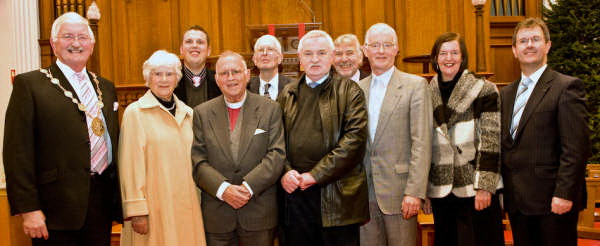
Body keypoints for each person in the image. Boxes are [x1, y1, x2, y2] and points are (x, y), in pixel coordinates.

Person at [3, 12, 122, 245]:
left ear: (92, 44)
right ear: (54, 43)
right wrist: (29, 209)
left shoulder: (106, 87)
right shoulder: (30, 85)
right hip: (53, 210)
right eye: (68, 36)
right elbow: (17, 152)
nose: (76, 43)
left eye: (82, 37)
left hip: (100, 204)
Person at [500, 17, 589, 246]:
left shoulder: (566, 87)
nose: (529, 45)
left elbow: (575, 149)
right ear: (514, 50)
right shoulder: (506, 95)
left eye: (535, 39)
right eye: (523, 41)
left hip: (553, 203)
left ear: (547, 45)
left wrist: (564, 194)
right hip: (518, 202)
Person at [278, 30, 369, 246]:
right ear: (300, 60)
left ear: (331, 56)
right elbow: (274, 142)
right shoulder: (287, 94)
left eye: (321, 52)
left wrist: (315, 175)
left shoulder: (350, 92)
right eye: (308, 54)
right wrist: (285, 171)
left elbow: (354, 141)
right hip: (295, 197)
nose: (315, 59)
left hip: (337, 197)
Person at [192, 51, 285, 246]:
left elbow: (276, 155)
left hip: (258, 212)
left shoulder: (270, 109)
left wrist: (247, 188)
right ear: (217, 79)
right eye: (224, 73)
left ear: (247, 74)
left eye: (236, 71)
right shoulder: (202, 113)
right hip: (217, 214)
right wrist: (224, 189)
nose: (231, 78)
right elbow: (198, 162)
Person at [423, 32, 504, 246]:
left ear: (463, 56)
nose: (449, 58)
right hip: (442, 187)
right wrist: (426, 191)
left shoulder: (484, 88)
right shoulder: (424, 92)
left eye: (454, 52)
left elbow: (491, 141)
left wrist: (485, 187)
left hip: (475, 186)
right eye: (443, 53)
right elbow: (423, 145)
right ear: (435, 59)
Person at [118, 50, 206, 246]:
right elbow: (130, 166)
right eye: (157, 74)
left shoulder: (188, 114)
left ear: (177, 79)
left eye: (169, 74)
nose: (164, 79)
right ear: (148, 78)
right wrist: (137, 211)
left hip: (188, 206)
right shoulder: (136, 113)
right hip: (154, 209)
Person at [357, 23, 432, 246]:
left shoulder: (415, 86)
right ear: (365, 50)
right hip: (365, 195)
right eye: (375, 45)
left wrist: (415, 192)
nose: (381, 51)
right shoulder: (356, 90)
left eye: (387, 45)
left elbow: (422, 143)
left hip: (401, 194)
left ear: (397, 49)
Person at [174, 25, 221, 108]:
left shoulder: (220, 81)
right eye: (189, 42)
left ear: (208, 51)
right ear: (181, 49)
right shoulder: (171, 81)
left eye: (200, 42)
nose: (195, 45)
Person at [248, 34, 292, 100]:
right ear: (254, 59)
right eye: (260, 50)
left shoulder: (293, 87)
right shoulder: (246, 87)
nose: (265, 53)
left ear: (280, 58)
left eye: (270, 49)